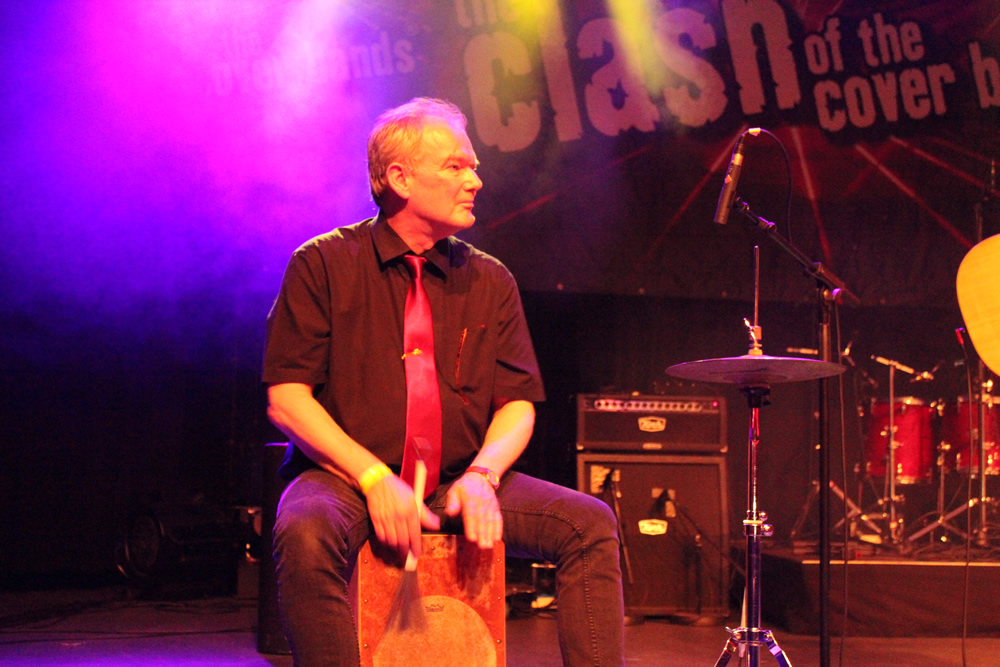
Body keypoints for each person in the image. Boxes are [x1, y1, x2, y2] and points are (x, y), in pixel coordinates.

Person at [263, 97, 625, 666]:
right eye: (456, 166)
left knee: (590, 525)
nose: (476, 180)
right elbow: (287, 400)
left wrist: (484, 473)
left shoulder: (489, 278)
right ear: (400, 178)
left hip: (458, 478)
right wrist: (373, 474)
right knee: (304, 531)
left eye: (473, 166)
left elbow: (518, 405)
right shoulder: (323, 265)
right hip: (348, 479)